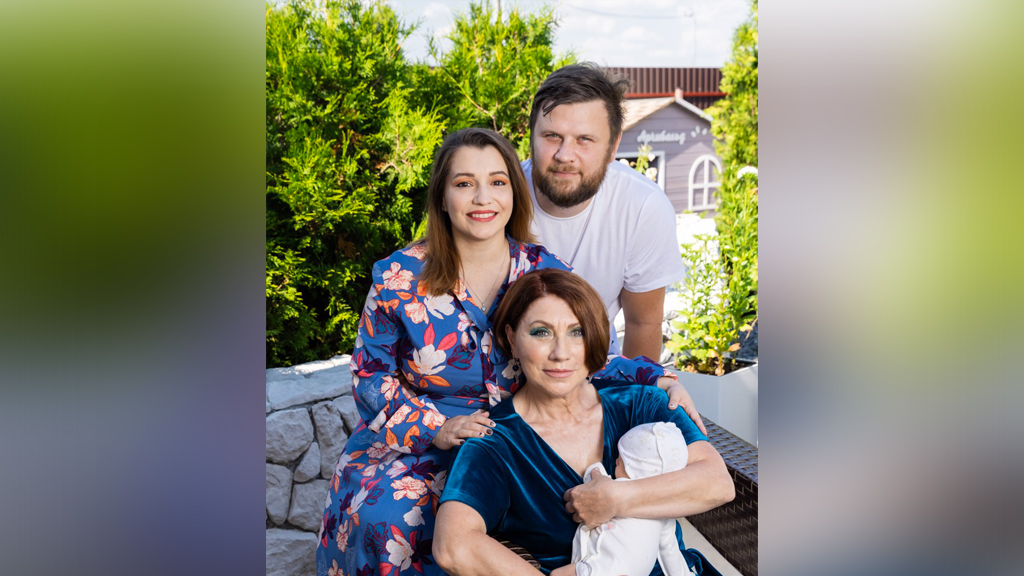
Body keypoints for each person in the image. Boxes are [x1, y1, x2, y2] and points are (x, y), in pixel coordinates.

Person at [315, 129, 686, 576]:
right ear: (442, 197)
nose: (482, 198)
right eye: (464, 183)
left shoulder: (545, 270)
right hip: (423, 445)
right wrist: (437, 428)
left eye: (497, 181)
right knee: (392, 518)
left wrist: (655, 376)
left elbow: (581, 353)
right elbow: (371, 377)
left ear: (514, 191)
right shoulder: (399, 277)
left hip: (519, 438)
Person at [433, 268, 735, 576]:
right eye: (541, 332)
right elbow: (453, 545)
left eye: (576, 332)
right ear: (512, 339)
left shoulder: (641, 403)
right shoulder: (493, 442)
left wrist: (615, 498)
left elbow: (718, 484)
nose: (560, 353)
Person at [523, 63, 687, 362]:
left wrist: (632, 392)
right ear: (532, 135)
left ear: (613, 147)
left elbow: (643, 323)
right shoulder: (498, 197)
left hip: (592, 368)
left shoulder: (642, 207)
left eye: (584, 139)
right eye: (552, 136)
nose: (565, 155)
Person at [571, 422, 694, 576]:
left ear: (634, 469)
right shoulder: (662, 511)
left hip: (598, 568)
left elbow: (592, 474)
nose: (616, 461)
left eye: (621, 460)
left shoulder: (614, 489)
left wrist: (595, 469)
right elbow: (670, 552)